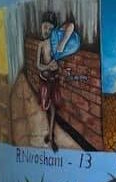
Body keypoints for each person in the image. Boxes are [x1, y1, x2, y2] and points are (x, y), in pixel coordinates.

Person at [36, 11, 75, 152]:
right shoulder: (41, 44)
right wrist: (46, 66)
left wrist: (56, 66)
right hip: (44, 80)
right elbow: (38, 65)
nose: (46, 30)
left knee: (53, 108)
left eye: (50, 28)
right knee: (46, 106)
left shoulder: (55, 44)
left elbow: (60, 60)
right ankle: (50, 132)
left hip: (53, 80)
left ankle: (51, 137)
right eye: (44, 27)